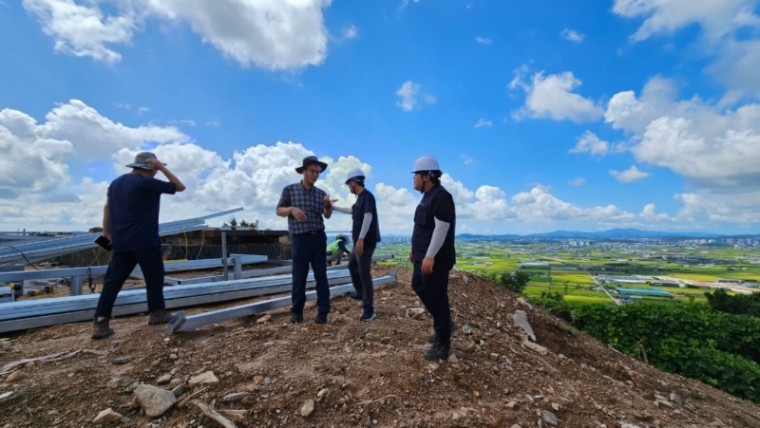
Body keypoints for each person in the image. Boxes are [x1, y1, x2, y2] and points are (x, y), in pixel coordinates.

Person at [92, 152, 186, 339]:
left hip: (121, 242)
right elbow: (179, 187)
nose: (156, 173)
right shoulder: (146, 183)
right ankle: (157, 313)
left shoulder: (116, 183)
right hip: (145, 240)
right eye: (155, 169)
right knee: (154, 277)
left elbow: (107, 207)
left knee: (112, 282)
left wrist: (106, 232)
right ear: (150, 166)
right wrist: (162, 167)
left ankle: (100, 322)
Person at [408, 156, 456, 360]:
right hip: (422, 256)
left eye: (416, 176)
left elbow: (441, 228)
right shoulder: (427, 196)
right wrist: (415, 251)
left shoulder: (440, 197)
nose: (413, 180)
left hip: (435, 259)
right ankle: (443, 322)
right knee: (418, 285)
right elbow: (422, 228)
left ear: (426, 176)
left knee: (437, 298)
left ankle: (443, 343)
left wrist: (429, 256)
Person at [276, 155, 334, 324]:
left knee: (321, 276)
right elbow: (279, 210)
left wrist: (328, 205)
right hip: (300, 239)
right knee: (299, 277)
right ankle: (297, 312)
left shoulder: (321, 194)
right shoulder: (290, 190)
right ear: (304, 171)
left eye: (318, 172)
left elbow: (327, 216)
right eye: (312, 171)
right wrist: (292, 209)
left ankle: (323, 312)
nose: (315, 175)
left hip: (318, 238)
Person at [332, 168, 381, 321]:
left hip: (365, 243)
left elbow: (368, 217)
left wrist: (360, 239)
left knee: (364, 273)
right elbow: (350, 210)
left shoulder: (368, 197)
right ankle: (360, 293)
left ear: (354, 182)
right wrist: (332, 207)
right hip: (359, 242)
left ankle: (369, 309)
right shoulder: (359, 199)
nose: (348, 187)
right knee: (352, 266)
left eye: (348, 184)